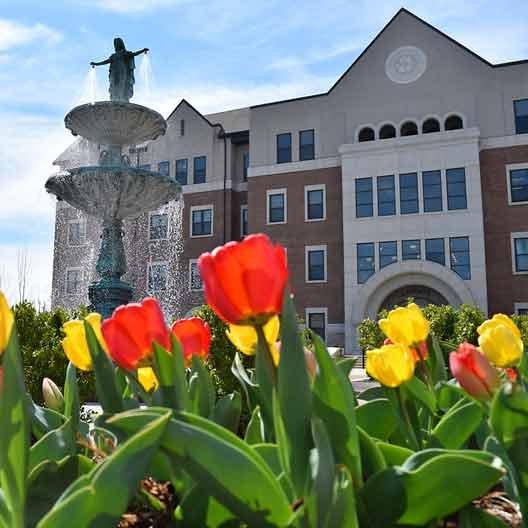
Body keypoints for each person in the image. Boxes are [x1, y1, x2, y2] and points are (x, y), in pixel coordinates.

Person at [90, 38, 148, 102]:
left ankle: (123, 98)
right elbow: (106, 61)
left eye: (117, 44)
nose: (116, 45)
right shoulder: (113, 56)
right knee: (114, 84)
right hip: (114, 72)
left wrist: (142, 50)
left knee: (122, 84)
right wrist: (96, 64)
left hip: (123, 71)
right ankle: (115, 98)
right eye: (115, 44)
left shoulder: (125, 53)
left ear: (121, 44)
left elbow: (134, 54)